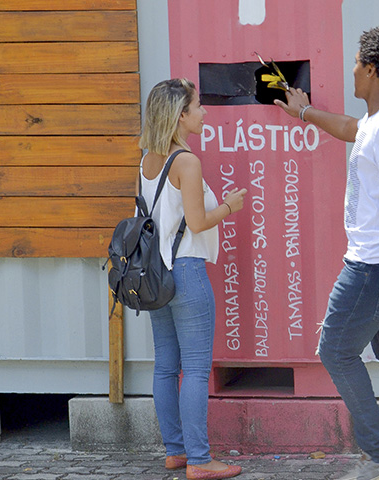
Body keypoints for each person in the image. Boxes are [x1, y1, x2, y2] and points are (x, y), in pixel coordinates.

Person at [275, 27, 379, 480]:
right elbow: (350, 129)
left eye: (358, 62)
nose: (352, 69)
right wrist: (304, 111)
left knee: (335, 349)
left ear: (374, 69)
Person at [138, 78, 247, 480]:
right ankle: (200, 460)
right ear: (181, 115)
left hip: (157, 276)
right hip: (186, 270)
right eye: (198, 106)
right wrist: (230, 207)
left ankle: (176, 451)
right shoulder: (187, 161)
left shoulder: (149, 159)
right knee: (197, 368)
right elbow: (198, 222)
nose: (204, 113)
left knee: (166, 366)